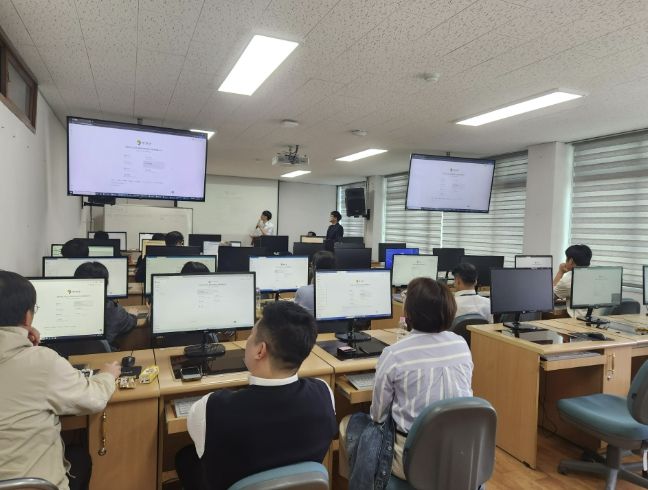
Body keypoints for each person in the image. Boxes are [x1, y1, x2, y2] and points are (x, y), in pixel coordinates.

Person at [175, 302, 337, 490]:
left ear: (260, 350)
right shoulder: (325, 394)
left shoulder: (209, 409)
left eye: (250, 335)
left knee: (186, 458)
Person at [341, 277, 472, 483]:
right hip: (459, 456)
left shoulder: (395, 353)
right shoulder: (461, 345)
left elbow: (378, 416)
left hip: (413, 462)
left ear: (408, 312)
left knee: (353, 422)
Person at [0, 270, 121, 490]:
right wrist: (107, 375)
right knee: (80, 458)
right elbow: (93, 399)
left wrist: (23, 341)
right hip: (34, 485)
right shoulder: (42, 362)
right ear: (27, 317)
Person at [74, 262, 136, 350]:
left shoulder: (63, 306)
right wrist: (133, 315)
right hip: (101, 355)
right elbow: (130, 323)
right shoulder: (113, 310)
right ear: (106, 285)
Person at [553, 244, 593, 318]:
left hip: (577, 321)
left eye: (566, 259)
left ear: (571, 261)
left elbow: (550, 297)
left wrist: (560, 272)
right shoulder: (593, 274)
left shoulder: (569, 279)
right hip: (594, 319)